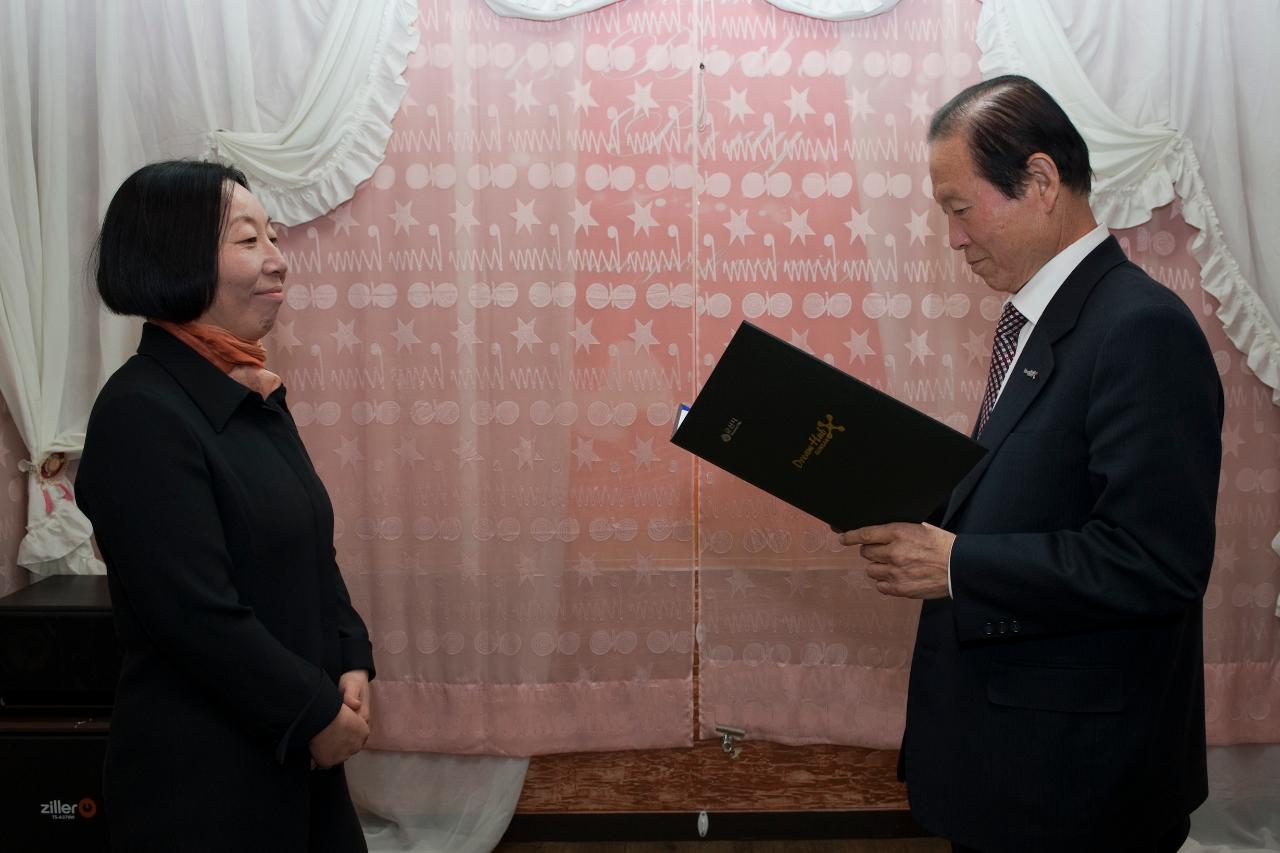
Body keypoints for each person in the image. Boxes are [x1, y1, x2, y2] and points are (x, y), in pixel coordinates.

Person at [839, 76, 1223, 852]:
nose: (953, 237)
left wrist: (958, 564)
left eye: (959, 206)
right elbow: (1050, 491)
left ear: (1041, 181)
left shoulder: (1140, 327)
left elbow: (1155, 559)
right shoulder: (1047, 318)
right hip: (1016, 769)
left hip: (1078, 789)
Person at [77, 160, 375, 852]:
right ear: (173, 256)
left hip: (295, 755)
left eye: (274, 237)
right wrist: (315, 710)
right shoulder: (140, 413)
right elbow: (195, 614)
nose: (278, 261)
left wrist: (350, 658)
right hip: (207, 785)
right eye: (249, 241)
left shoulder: (248, 389)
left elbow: (310, 547)